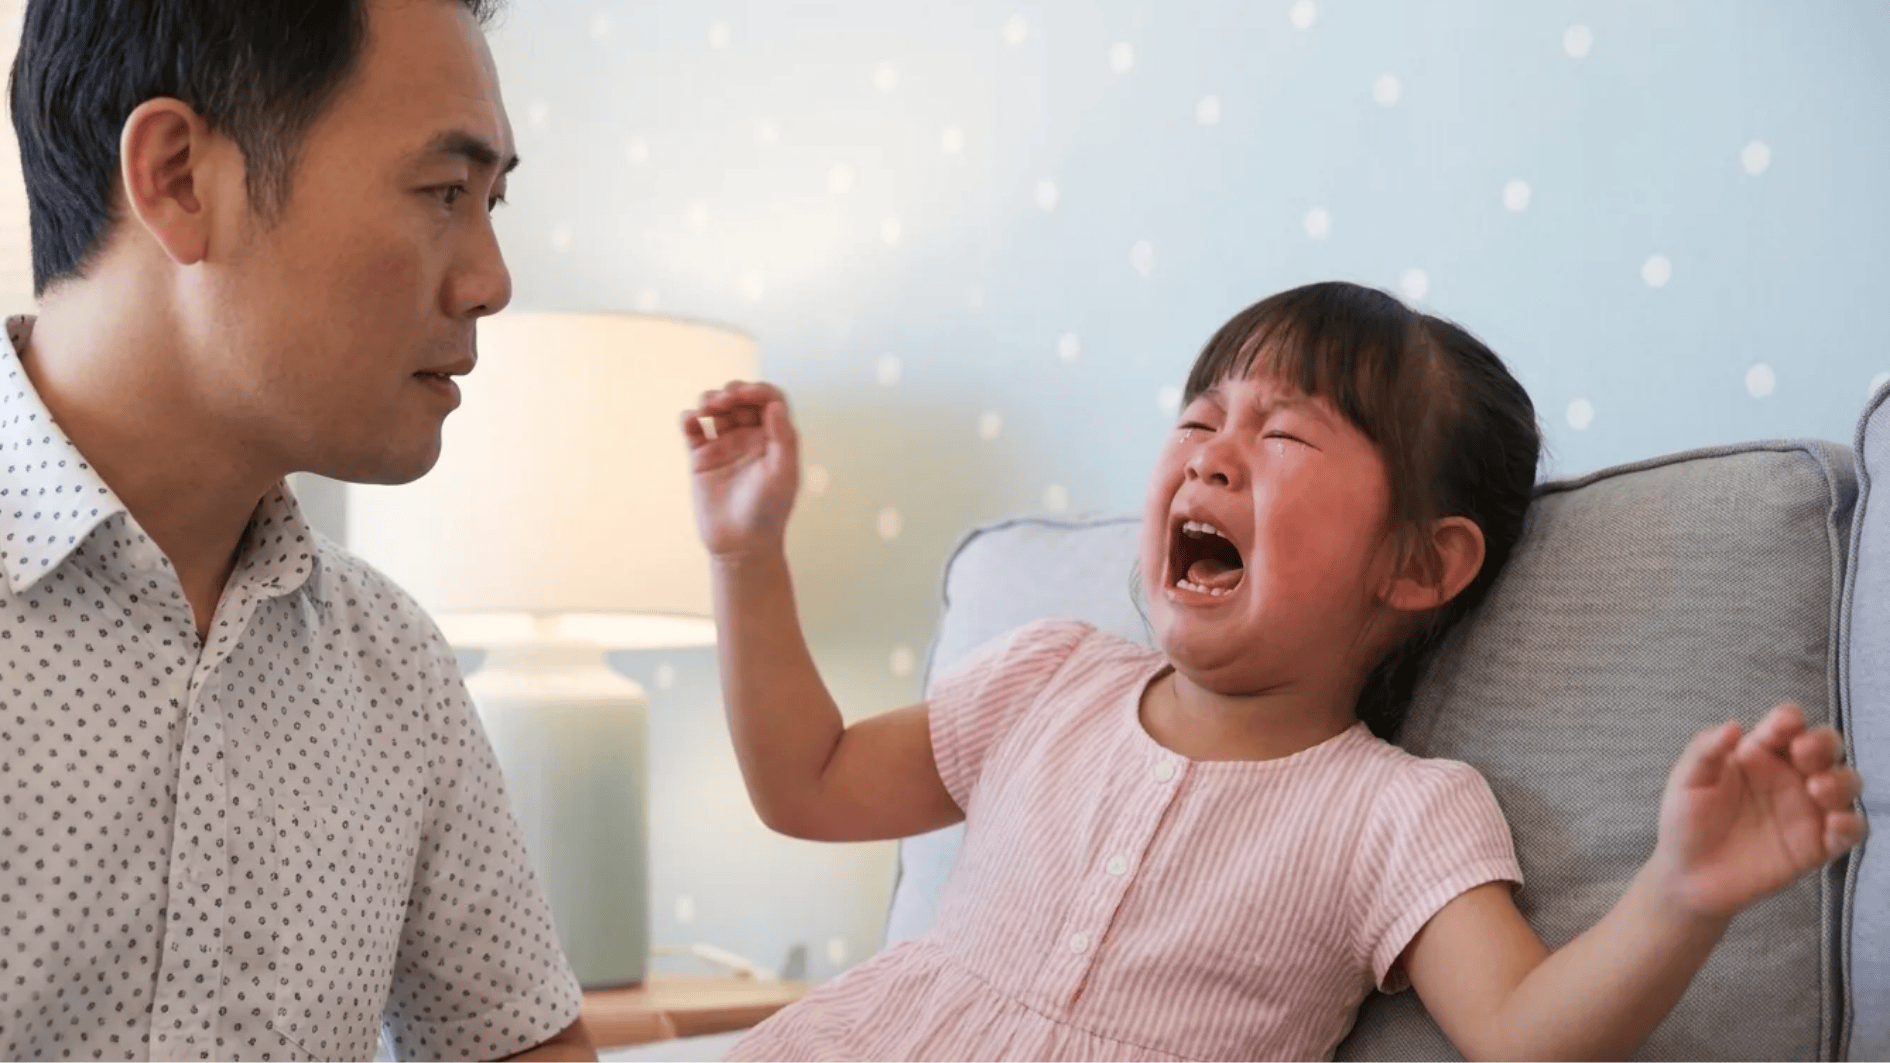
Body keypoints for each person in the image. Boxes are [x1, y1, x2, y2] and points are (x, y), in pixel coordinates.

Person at [681, 280, 1867, 1061]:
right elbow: (809, 781)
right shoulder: (1045, 678)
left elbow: (1522, 1032)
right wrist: (744, 555)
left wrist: (1680, 894)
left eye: (1284, 434)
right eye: (1200, 422)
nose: (1213, 458)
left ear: (1419, 564)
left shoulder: (1396, 814)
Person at [0, 0, 594, 1059]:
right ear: (179, 177)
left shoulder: (393, 667)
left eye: (492, 200)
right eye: (443, 192)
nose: (491, 282)